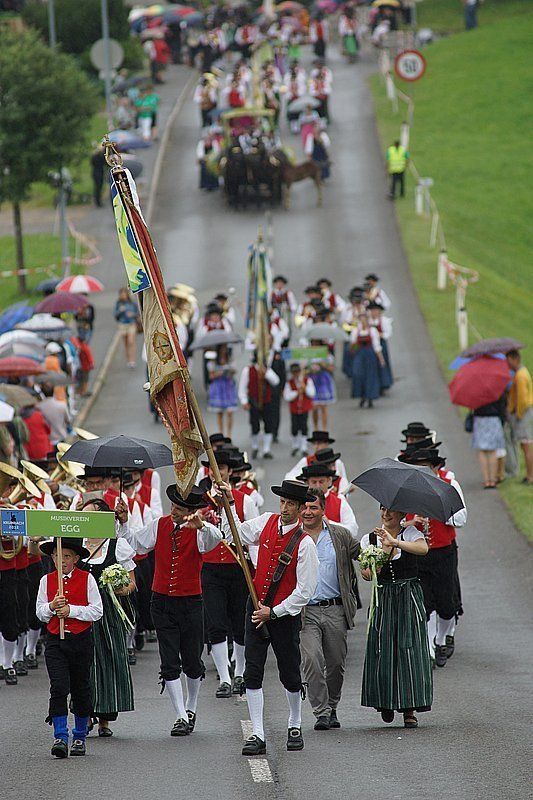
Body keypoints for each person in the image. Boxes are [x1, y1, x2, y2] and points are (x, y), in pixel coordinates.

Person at [216, 479, 319, 756]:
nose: (284, 508)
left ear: (300, 508)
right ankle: (258, 733)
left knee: (290, 673)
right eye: (283, 502)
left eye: (290, 504)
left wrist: (273, 612)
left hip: (284, 616)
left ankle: (295, 723)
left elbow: (304, 591)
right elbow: (236, 534)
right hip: (255, 607)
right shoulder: (266, 522)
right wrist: (229, 504)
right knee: (252, 672)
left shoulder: (305, 544)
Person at [120, 485, 224, 737]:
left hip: (191, 602)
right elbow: (135, 544)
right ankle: (180, 716)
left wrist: (201, 525)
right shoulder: (160, 525)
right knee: (169, 661)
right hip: (162, 601)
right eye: (173, 506)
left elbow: (216, 538)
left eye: (179, 509)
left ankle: (191, 707)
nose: (174, 512)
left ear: (190, 511)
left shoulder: (200, 532)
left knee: (192, 661)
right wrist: (123, 522)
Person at [360, 506, 432, 728]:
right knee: (383, 648)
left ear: (402, 514)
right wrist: (381, 555)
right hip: (383, 597)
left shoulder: (410, 534)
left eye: (392, 510)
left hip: (407, 595)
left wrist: (396, 543)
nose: (386, 514)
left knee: (408, 649)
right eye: (383, 509)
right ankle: (385, 702)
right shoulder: (370, 539)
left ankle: (409, 708)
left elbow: (423, 549)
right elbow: (366, 574)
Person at [399, 447, 467, 667]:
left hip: (444, 552)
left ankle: (441, 639)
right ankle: (429, 647)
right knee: (425, 603)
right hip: (417, 552)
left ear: (435, 467)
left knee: (447, 604)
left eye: (425, 467)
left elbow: (461, 517)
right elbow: (393, 521)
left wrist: (440, 512)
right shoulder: (407, 490)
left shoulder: (449, 485)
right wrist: (408, 523)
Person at [36, 537, 103, 758]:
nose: (62, 560)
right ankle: (60, 736)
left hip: (81, 641)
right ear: (52, 558)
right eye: (58, 556)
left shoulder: (87, 578)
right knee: (58, 687)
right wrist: (51, 607)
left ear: (75, 559)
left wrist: (71, 611)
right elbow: (40, 612)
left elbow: (97, 611)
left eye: (67, 556)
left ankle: (80, 735)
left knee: (81, 688)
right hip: (56, 641)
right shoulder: (46, 580)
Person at [299, 489, 359, 730]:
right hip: (306, 612)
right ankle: (321, 711)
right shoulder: (293, 537)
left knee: (335, 664)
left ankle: (332, 705)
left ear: (323, 510)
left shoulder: (339, 535)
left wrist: (385, 546)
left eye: (313, 507)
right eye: (304, 507)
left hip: (335, 609)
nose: (308, 512)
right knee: (311, 659)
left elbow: (363, 555)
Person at [199, 451, 256, 697]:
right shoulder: (202, 501)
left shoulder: (246, 500)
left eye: (221, 468)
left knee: (239, 623)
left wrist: (256, 571)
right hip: (211, 569)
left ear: (230, 472)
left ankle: (240, 672)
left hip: (238, 568)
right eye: (212, 468)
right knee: (215, 623)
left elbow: (253, 537)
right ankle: (224, 677)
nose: (216, 472)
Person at [80, 499, 136, 738]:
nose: (85, 520)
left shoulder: (117, 545)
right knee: (83, 662)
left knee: (109, 660)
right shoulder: (76, 543)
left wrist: (121, 588)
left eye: (90, 515)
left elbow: (132, 583)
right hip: (81, 611)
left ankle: (105, 719)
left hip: (108, 612)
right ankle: (85, 714)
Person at [298, 462, 358, 538]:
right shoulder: (298, 501)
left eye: (321, 482)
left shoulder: (340, 501)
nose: (318, 486)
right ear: (307, 483)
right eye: (314, 482)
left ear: (329, 481)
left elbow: (353, 530)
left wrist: (329, 523)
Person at [238, 354, 280, 460]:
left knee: (268, 425)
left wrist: (266, 373)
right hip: (254, 402)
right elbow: (242, 387)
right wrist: (244, 401)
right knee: (255, 425)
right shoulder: (248, 370)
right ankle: (255, 447)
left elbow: (276, 381)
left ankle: (266, 449)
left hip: (267, 402)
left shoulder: (268, 370)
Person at [506, 350, 533, 484]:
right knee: (525, 445)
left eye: (508, 361)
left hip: (523, 414)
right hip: (524, 412)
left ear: (514, 359)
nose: (507, 364)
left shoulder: (520, 376)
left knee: (526, 445)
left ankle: (530, 476)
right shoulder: (521, 373)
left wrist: (518, 414)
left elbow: (522, 399)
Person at [471, 393, 507, 488]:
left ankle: (486, 480)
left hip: (479, 419)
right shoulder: (496, 389)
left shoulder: (476, 390)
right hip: (494, 419)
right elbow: (502, 404)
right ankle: (493, 479)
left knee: (482, 451)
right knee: (492, 450)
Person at [284, 363, 316, 456]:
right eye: (294, 372)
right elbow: (287, 396)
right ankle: (295, 446)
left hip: (304, 408)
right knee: (294, 427)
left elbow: (312, 393)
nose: (296, 374)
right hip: (294, 409)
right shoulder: (289, 383)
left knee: (304, 427)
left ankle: (304, 447)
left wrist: (305, 388)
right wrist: (297, 392)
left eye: (297, 372)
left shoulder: (307, 381)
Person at [207, 344, 238, 438]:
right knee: (219, 412)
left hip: (228, 387)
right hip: (218, 388)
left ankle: (229, 434)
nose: (223, 350)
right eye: (222, 348)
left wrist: (230, 371)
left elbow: (234, 372)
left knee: (229, 411)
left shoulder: (230, 360)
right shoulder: (213, 362)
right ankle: (221, 433)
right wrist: (219, 373)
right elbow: (211, 376)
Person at [114, 288, 140, 369]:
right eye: (121, 294)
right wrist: (120, 311)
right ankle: (129, 360)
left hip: (131, 324)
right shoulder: (119, 304)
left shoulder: (132, 303)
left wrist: (132, 314)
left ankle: (132, 360)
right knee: (126, 343)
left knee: (131, 341)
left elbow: (137, 313)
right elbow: (116, 316)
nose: (123, 296)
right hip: (123, 324)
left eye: (124, 294)